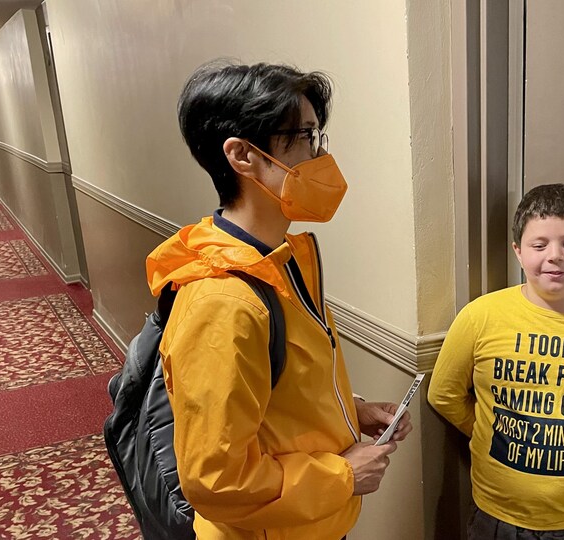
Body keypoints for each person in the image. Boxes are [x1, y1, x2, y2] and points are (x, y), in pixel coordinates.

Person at [145, 61, 411, 539]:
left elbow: (275, 397)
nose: (318, 156)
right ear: (242, 156)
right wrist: (344, 476)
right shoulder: (224, 304)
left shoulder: (278, 260)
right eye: (305, 137)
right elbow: (216, 480)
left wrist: (352, 411)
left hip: (308, 522)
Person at [429, 184, 564, 540]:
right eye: (539, 245)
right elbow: (443, 393)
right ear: (518, 251)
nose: (555, 256)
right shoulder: (481, 316)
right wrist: (488, 432)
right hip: (494, 518)